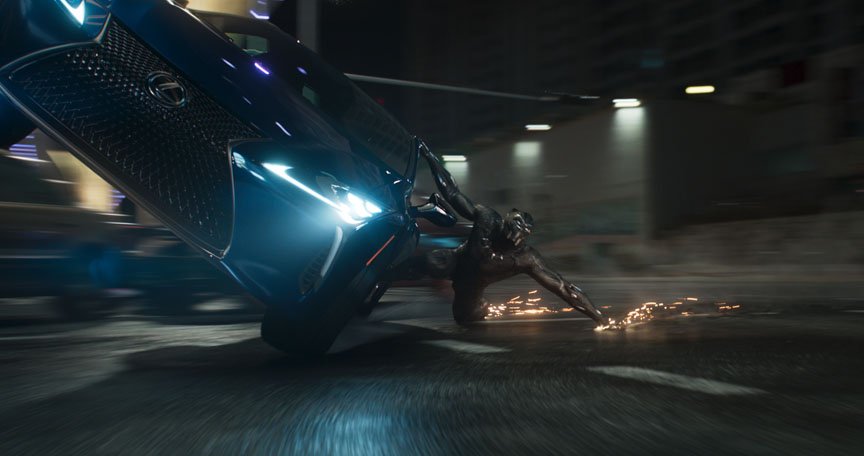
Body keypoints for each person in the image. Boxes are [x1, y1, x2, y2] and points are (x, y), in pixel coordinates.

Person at [408, 144, 606, 324]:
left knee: (467, 317)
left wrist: (598, 317)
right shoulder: (487, 218)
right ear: (506, 220)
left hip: (471, 288)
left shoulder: (526, 258)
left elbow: (564, 288)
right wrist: (429, 155)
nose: (513, 233)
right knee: (429, 262)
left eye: (519, 232)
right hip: (454, 261)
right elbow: (452, 193)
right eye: (513, 225)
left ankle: (480, 307)